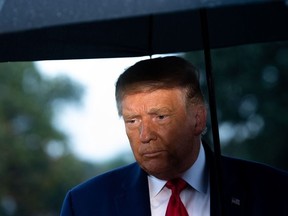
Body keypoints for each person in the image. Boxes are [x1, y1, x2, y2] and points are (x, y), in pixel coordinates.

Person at [60, 56, 288, 216]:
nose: (145, 135)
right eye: (132, 120)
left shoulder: (275, 192)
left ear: (198, 118)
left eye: (160, 117)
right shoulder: (84, 205)